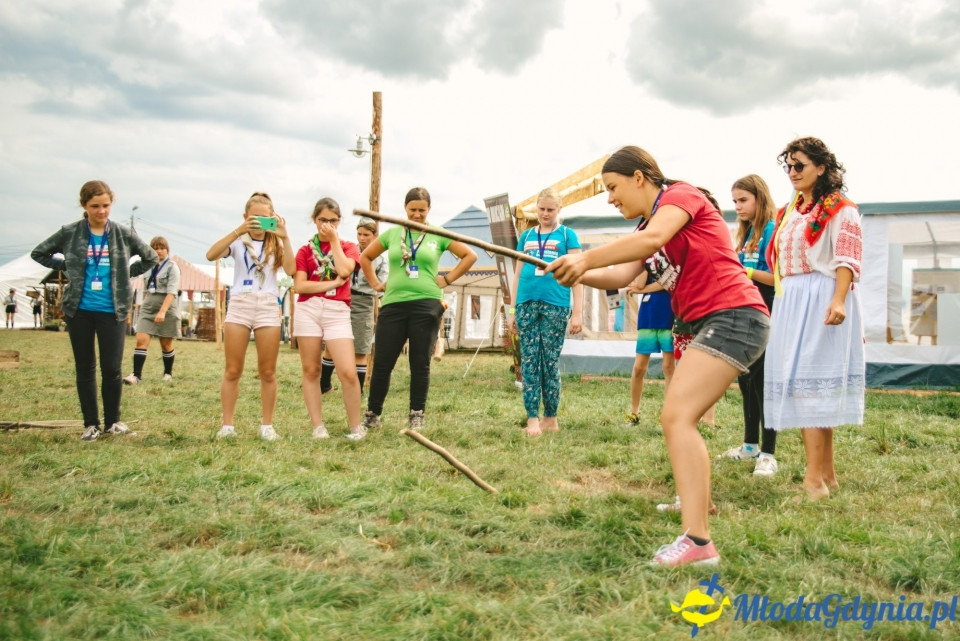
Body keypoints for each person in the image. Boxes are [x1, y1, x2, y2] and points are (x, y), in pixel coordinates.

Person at [547, 146, 769, 567]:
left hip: (735, 316)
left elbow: (650, 240)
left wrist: (584, 256)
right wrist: (574, 271)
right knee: (678, 416)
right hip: (715, 321)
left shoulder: (680, 196)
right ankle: (698, 504)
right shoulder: (649, 224)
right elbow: (619, 275)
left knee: (676, 416)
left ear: (639, 177)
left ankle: (699, 542)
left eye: (613, 187)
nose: (610, 199)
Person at [764, 137, 864, 501]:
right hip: (792, 299)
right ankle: (827, 474)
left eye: (799, 165)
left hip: (821, 295)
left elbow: (847, 258)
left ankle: (813, 483)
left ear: (821, 168)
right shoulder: (790, 211)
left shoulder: (841, 209)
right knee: (808, 384)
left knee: (810, 385)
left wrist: (838, 299)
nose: (792, 172)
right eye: (788, 166)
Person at [31, 180, 158, 441]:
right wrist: (69, 265)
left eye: (106, 205)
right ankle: (91, 424)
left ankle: (113, 422)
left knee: (112, 369)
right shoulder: (70, 232)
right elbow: (39, 253)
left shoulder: (122, 233)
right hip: (79, 311)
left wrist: (124, 273)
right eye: (95, 206)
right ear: (84, 206)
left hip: (113, 310)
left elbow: (150, 257)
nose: (101, 211)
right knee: (85, 367)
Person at [359, 187, 477, 431]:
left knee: (420, 362)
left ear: (429, 209)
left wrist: (447, 279)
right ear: (405, 208)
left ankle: (416, 414)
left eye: (422, 210)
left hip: (426, 304)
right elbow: (365, 257)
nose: (416, 214)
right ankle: (373, 414)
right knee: (382, 362)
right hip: (393, 303)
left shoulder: (438, 234)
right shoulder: (393, 233)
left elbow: (470, 255)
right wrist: (375, 284)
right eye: (412, 209)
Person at [206, 192, 295, 441]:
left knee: (268, 371)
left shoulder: (276, 243)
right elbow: (211, 255)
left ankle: (267, 425)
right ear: (245, 216)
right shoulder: (238, 241)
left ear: (273, 217)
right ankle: (227, 426)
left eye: (264, 218)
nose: (258, 222)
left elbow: (291, 270)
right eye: (253, 217)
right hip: (240, 304)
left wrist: (285, 236)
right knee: (233, 370)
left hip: (267, 304)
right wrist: (238, 230)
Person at [507, 187, 583, 436]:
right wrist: (512, 310)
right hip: (526, 303)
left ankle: (550, 417)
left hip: (556, 304)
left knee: (549, 362)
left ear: (559, 209)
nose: (545, 214)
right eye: (541, 209)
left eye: (550, 209)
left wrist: (577, 312)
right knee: (529, 361)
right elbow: (517, 274)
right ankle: (532, 419)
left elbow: (577, 275)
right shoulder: (527, 236)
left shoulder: (567, 235)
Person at [720, 175, 779, 475]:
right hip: (746, 311)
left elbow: (777, 278)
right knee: (746, 380)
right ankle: (750, 446)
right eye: (735, 201)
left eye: (743, 200)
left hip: (767, 309)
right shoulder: (745, 234)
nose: (738, 207)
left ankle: (768, 453)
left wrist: (745, 271)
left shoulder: (771, 230)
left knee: (763, 382)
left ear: (760, 197)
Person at [293, 197, 364, 440]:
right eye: (323, 220)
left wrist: (333, 240)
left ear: (339, 222)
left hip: (337, 309)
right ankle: (318, 426)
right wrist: (332, 284)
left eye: (333, 221)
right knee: (311, 369)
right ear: (314, 220)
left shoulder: (348, 247)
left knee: (347, 371)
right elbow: (300, 286)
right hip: (308, 309)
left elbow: (345, 270)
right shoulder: (305, 250)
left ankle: (356, 427)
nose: (328, 225)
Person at [319, 216, 388, 395]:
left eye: (366, 235)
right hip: (342, 298)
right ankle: (324, 384)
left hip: (364, 302)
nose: (362, 238)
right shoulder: (347, 250)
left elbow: (382, 286)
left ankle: (357, 390)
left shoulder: (381, 259)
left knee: (361, 347)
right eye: (359, 234)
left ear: (375, 235)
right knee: (332, 344)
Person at [124, 237, 181, 384]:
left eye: (162, 248)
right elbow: (145, 287)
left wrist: (162, 311)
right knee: (141, 340)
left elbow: (172, 292)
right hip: (148, 307)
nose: (159, 251)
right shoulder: (147, 266)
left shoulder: (172, 267)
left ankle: (167, 373)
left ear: (167, 250)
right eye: (155, 248)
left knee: (165, 344)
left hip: (167, 308)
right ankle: (136, 376)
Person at [623, 274, 675, 427]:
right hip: (648, 315)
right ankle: (634, 413)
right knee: (639, 367)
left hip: (669, 314)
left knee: (668, 367)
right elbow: (639, 284)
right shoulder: (647, 262)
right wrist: (644, 264)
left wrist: (642, 290)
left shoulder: (673, 261)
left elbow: (667, 282)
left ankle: (668, 416)